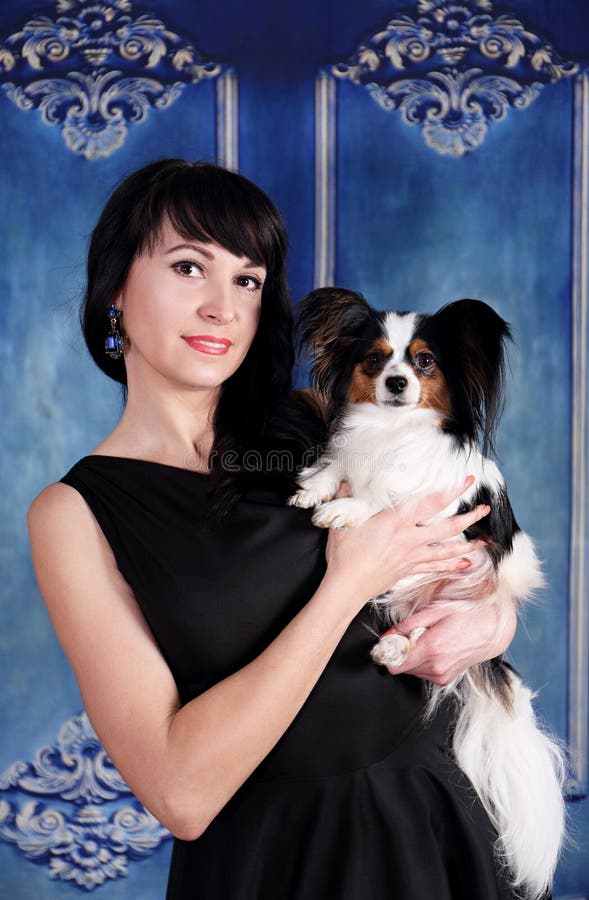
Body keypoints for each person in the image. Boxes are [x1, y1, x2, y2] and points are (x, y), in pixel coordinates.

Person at [28, 159, 517, 900]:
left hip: (444, 817)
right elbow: (180, 795)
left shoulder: (323, 422)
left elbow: (477, 555)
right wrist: (346, 581)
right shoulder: (75, 514)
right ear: (116, 290)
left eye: (247, 280)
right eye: (189, 267)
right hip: (284, 858)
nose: (222, 306)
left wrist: (491, 617)